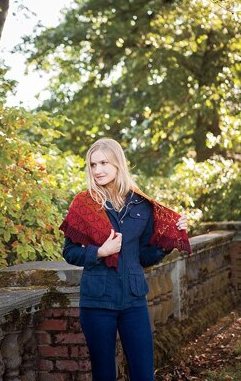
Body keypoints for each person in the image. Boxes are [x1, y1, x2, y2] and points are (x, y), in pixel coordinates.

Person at [60, 138, 190, 381]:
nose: (97, 170)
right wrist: (99, 252)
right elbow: (69, 252)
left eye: (103, 163)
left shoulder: (142, 205)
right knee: (104, 374)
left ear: (118, 164)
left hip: (133, 301)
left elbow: (143, 256)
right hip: (97, 302)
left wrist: (169, 240)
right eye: (93, 164)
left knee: (143, 373)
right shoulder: (84, 204)